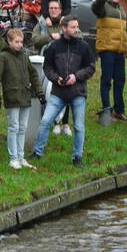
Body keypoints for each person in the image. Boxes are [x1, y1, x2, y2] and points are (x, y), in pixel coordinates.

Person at [32, 15, 95, 166]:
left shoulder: (84, 46)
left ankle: (77, 157)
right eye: (73, 27)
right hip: (58, 92)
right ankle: (37, 152)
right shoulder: (54, 46)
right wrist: (56, 78)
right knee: (45, 121)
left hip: (78, 92)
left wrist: (76, 76)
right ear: (64, 28)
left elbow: (91, 68)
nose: (77, 29)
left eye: (77, 26)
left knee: (79, 126)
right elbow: (47, 67)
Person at [0, 28, 43, 170]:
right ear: (9, 42)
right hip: (12, 96)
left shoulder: (24, 56)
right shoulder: (3, 57)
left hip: (25, 95)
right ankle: (13, 158)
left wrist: (40, 92)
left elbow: (34, 75)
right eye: (16, 42)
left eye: (21, 42)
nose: (20, 45)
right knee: (13, 127)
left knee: (23, 127)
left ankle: (21, 157)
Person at [92, 0, 127, 122]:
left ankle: (119, 110)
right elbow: (95, 8)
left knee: (120, 80)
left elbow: (125, 30)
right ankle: (107, 110)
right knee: (106, 80)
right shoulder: (104, 7)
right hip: (107, 49)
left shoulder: (122, 11)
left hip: (119, 50)